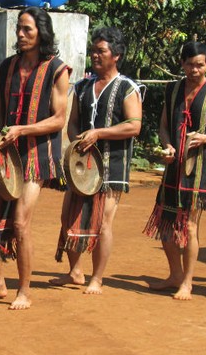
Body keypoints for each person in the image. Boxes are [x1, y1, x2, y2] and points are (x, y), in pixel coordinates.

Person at [0, 6, 71, 310]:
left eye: (28, 29)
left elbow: (58, 119)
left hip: (37, 156)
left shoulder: (57, 69)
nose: (21, 34)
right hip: (6, 156)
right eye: (19, 29)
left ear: (42, 32)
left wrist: (23, 130)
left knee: (21, 223)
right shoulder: (7, 67)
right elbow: (0, 114)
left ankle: (23, 290)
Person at [50, 26, 142, 294]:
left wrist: (99, 133)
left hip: (112, 165)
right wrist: (78, 140)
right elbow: (73, 123)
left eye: (101, 51)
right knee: (69, 216)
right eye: (94, 50)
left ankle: (97, 278)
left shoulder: (127, 87)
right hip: (81, 166)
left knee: (103, 223)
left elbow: (134, 125)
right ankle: (75, 272)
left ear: (117, 55)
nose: (95, 55)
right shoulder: (81, 87)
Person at [143, 41, 206, 300]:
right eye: (189, 64)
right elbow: (163, 126)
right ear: (182, 64)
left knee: (190, 226)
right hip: (174, 167)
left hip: (201, 168)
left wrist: (203, 138)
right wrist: (167, 146)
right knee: (167, 222)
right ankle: (175, 276)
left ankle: (188, 282)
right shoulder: (172, 90)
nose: (194, 70)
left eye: (200, 65)